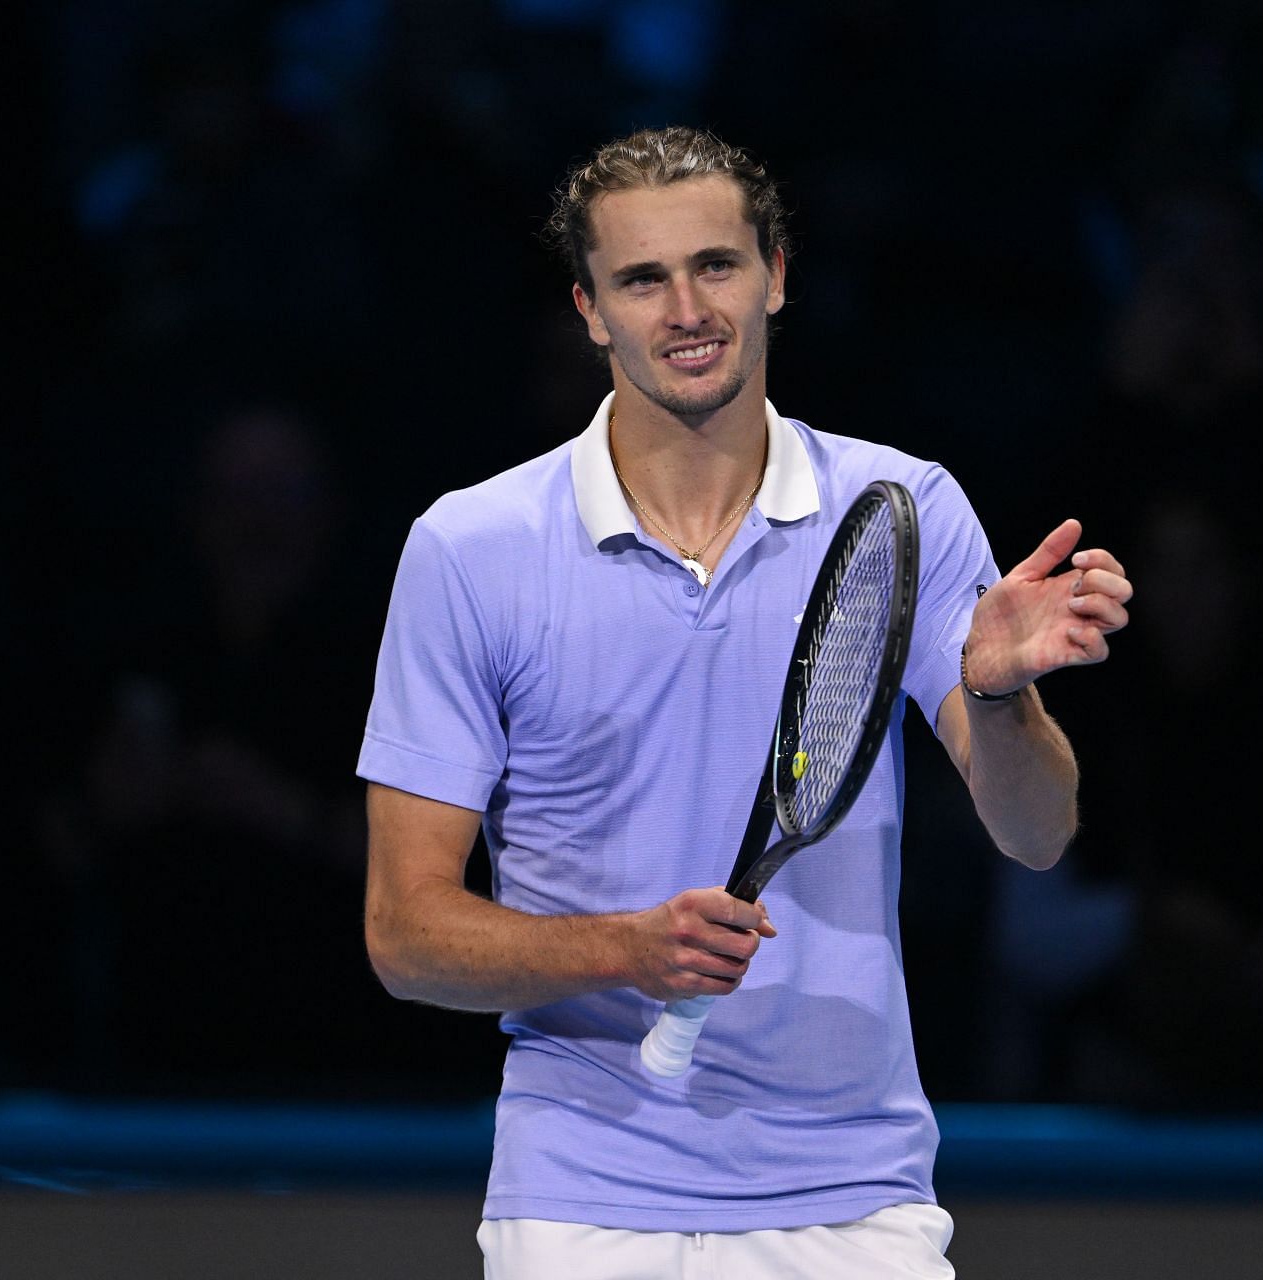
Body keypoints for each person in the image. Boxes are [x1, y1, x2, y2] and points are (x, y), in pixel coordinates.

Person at [358, 126, 1133, 1278]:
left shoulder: (902, 505)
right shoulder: (470, 548)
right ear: (587, 308)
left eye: (716, 265)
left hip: (855, 1202)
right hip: (580, 1204)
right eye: (641, 277)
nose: (686, 307)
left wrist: (998, 691)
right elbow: (406, 934)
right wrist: (627, 946)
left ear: (776, 272)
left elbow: (1037, 835)